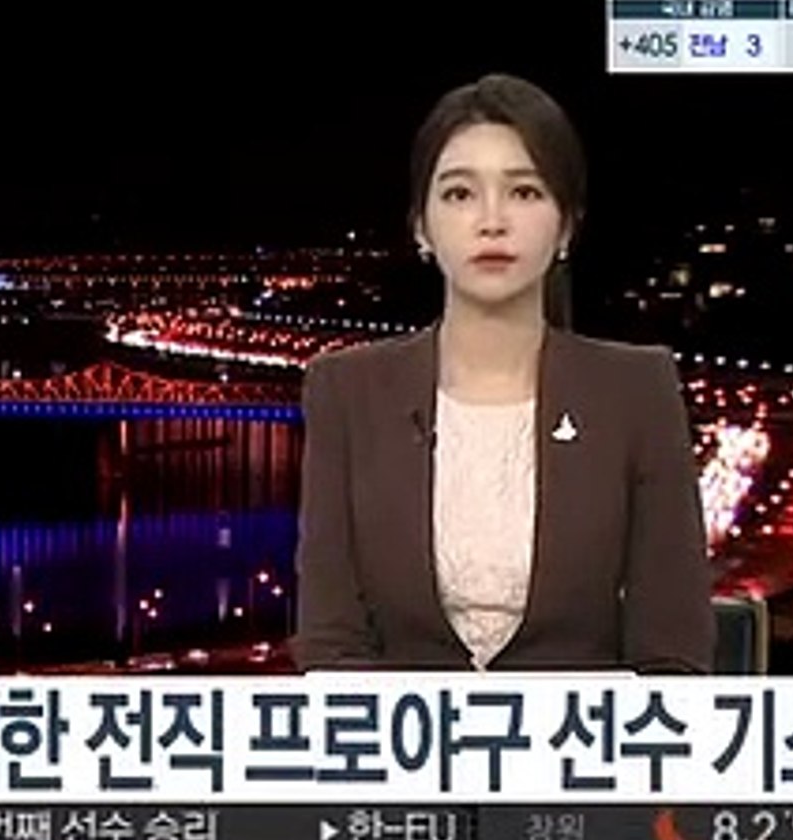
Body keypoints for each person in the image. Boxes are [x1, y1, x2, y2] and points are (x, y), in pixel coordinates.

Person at [290, 74, 715, 674]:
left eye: (524, 192)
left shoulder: (636, 391)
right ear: (421, 226)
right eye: (460, 194)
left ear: (566, 226)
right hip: (401, 732)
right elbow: (329, 645)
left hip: (584, 733)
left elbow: (673, 655)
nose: (492, 221)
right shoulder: (347, 391)